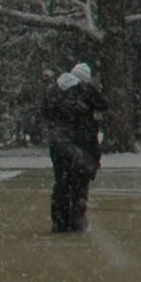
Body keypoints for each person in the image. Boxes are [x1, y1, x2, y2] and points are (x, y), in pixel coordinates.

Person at [39, 61, 106, 234]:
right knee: (80, 182)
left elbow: (44, 111)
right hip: (80, 144)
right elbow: (103, 104)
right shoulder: (85, 90)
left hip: (58, 144)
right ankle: (77, 220)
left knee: (61, 183)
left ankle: (59, 222)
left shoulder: (54, 90)